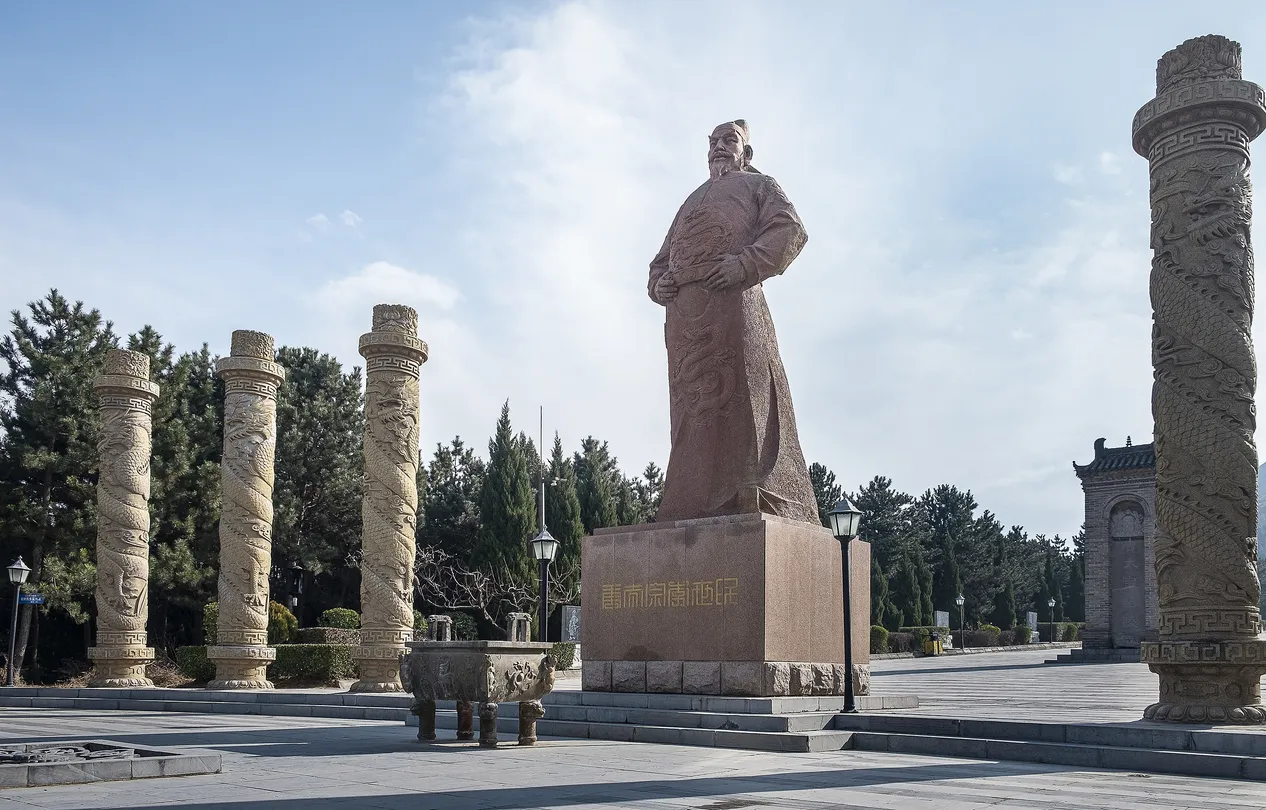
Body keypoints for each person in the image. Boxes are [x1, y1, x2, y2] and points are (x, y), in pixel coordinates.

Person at [648, 119, 818, 524]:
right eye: (712, 142)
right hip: (686, 322)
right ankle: (692, 499)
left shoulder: (760, 186)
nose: (718, 148)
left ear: (747, 153)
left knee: (743, 401)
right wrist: (661, 284)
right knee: (693, 409)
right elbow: (659, 262)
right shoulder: (691, 201)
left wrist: (745, 264)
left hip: (734, 306)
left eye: (729, 141)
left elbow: (790, 229)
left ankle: (750, 492)